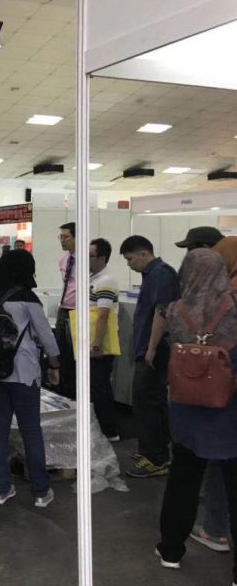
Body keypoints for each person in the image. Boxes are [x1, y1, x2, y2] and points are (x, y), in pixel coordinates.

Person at [154, 249, 237, 586]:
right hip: (229, 414)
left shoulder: (175, 311)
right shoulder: (234, 313)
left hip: (187, 412)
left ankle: (171, 551)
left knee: (182, 483)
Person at [0, 250, 61, 507]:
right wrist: (55, 364)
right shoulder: (28, 299)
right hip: (23, 373)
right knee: (30, 430)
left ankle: (0, 489)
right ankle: (40, 491)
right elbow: (46, 337)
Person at [119, 235, 179, 478]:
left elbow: (162, 313)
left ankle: (155, 458)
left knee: (147, 402)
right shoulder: (153, 275)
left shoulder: (161, 274)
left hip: (154, 350)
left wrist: (151, 348)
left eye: (130, 258)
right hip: (148, 348)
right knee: (152, 401)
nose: (128, 264)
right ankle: (155, 450)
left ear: (144, 254)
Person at [89, 238, 121, 441]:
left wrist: (97, 343)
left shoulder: (106, 280)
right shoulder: (93, 278)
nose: (86, 259)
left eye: (90, 255)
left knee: (100, 387)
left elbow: (103, 315)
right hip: (90, 341)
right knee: (94, 386)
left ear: (102, 257)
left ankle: (109, 431)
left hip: (99, 344)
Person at [55, 222, 77, 399]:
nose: (62, 241)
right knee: (62, 354)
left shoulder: (86, 260)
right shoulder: (64, 260)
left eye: (66, 237)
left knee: (74, 357)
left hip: (78, 311)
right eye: (60, 237)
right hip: (63, 310)